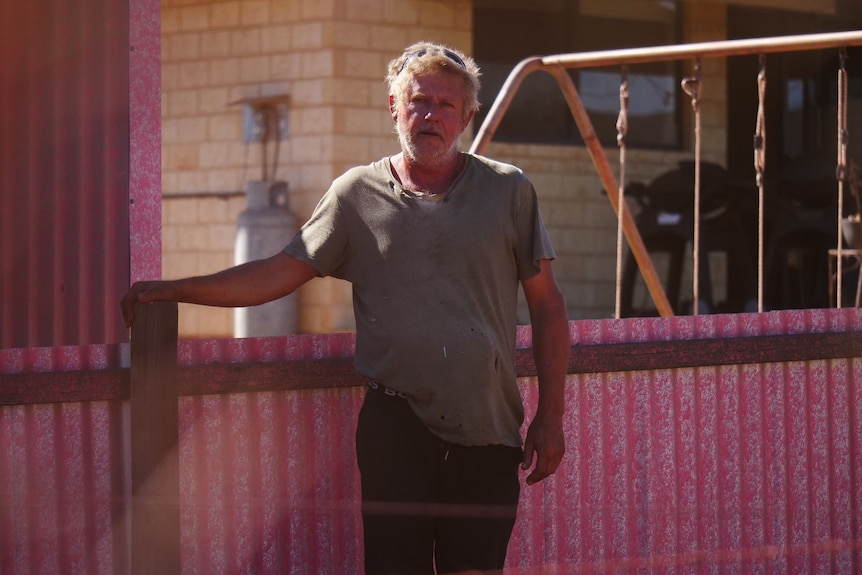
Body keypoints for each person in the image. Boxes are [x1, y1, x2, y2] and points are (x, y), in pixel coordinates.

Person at [122, 41, 569, 575]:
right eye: (419, 101)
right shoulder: (356, 194)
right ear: (394, 107)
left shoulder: (508, 191)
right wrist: (175, 289)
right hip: (395, 425)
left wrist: (551, 416)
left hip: (489, 427)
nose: (430, 116)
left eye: (446, 105)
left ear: (468, 115)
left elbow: (547, 307)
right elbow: (276, 273)